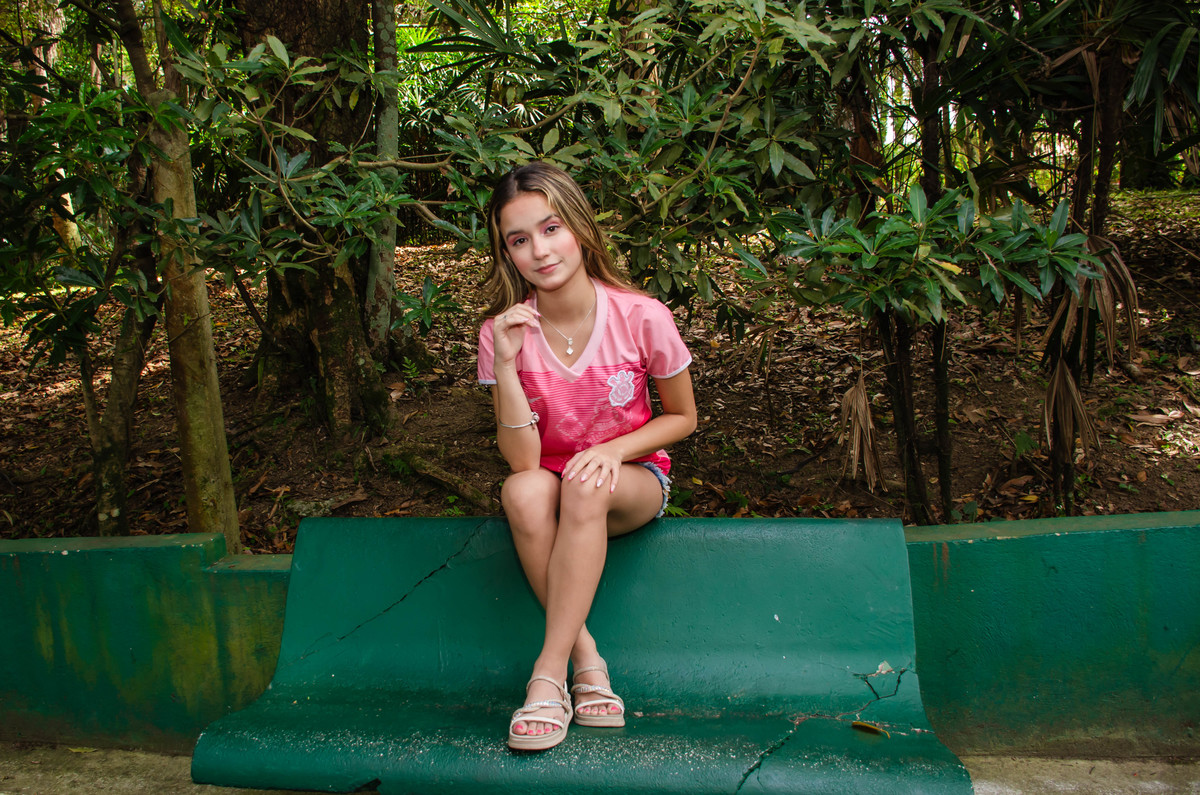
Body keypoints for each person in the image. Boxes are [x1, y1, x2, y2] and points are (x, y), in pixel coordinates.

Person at [477, 162, 697, 751]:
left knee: (586, 482)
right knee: (521, 492)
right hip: (552, 481)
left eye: (551, 229)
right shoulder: (501, 332)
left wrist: (611, 450)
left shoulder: (641, 315)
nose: (539, 251)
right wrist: (505, 364)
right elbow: (523, 462)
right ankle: (588, 662)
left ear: (578, 227)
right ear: (506, 253)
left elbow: (683, 417)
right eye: (519, 240)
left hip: (632, 479)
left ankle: (547, 675)